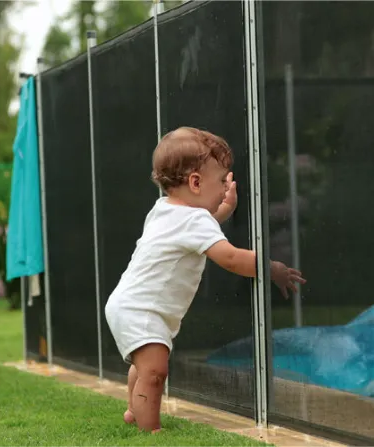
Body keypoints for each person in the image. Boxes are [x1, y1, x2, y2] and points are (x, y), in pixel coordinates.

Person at [104, 126, 306, 433]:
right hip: (142, 311)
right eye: (221, 181)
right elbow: (229, 257)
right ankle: (151, 429)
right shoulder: (194, 220)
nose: (225, 187)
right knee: (155, 371)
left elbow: (199, 228)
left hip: (130, 304)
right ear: (196, 182)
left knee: (145, 367)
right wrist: (270, 267)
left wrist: (225, 208)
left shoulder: (164, 210)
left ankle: (135, 408)